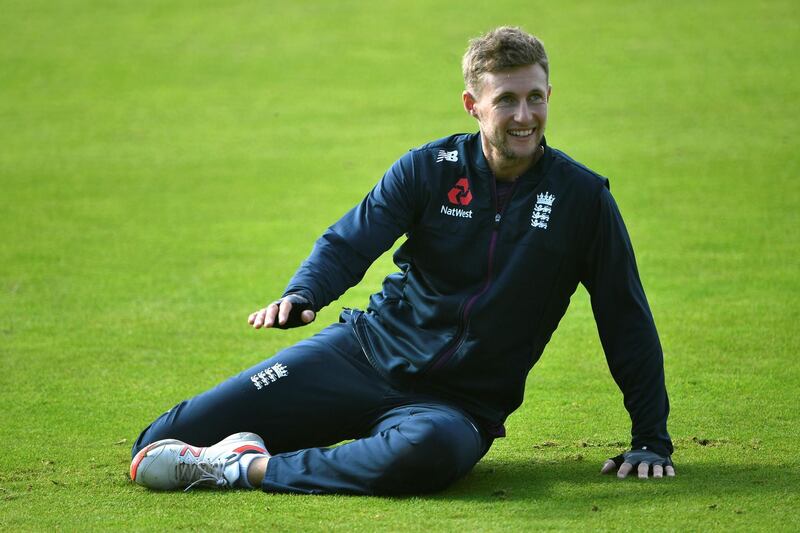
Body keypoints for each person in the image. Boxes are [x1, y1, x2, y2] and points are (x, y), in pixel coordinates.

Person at [129, 26, 675, 495]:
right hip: (361, 355)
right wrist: (304, 294)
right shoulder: (427, 169)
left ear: (550, 94)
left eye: (535, 97)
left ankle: (245, 469)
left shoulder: (582, 199)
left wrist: (650, 437)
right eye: (506, 100)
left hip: (457, 406)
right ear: (473, 104)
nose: (524, 115)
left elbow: (623, 315)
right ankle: (243, 448)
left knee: (427, 454)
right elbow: (351, 241)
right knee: (158, 445)